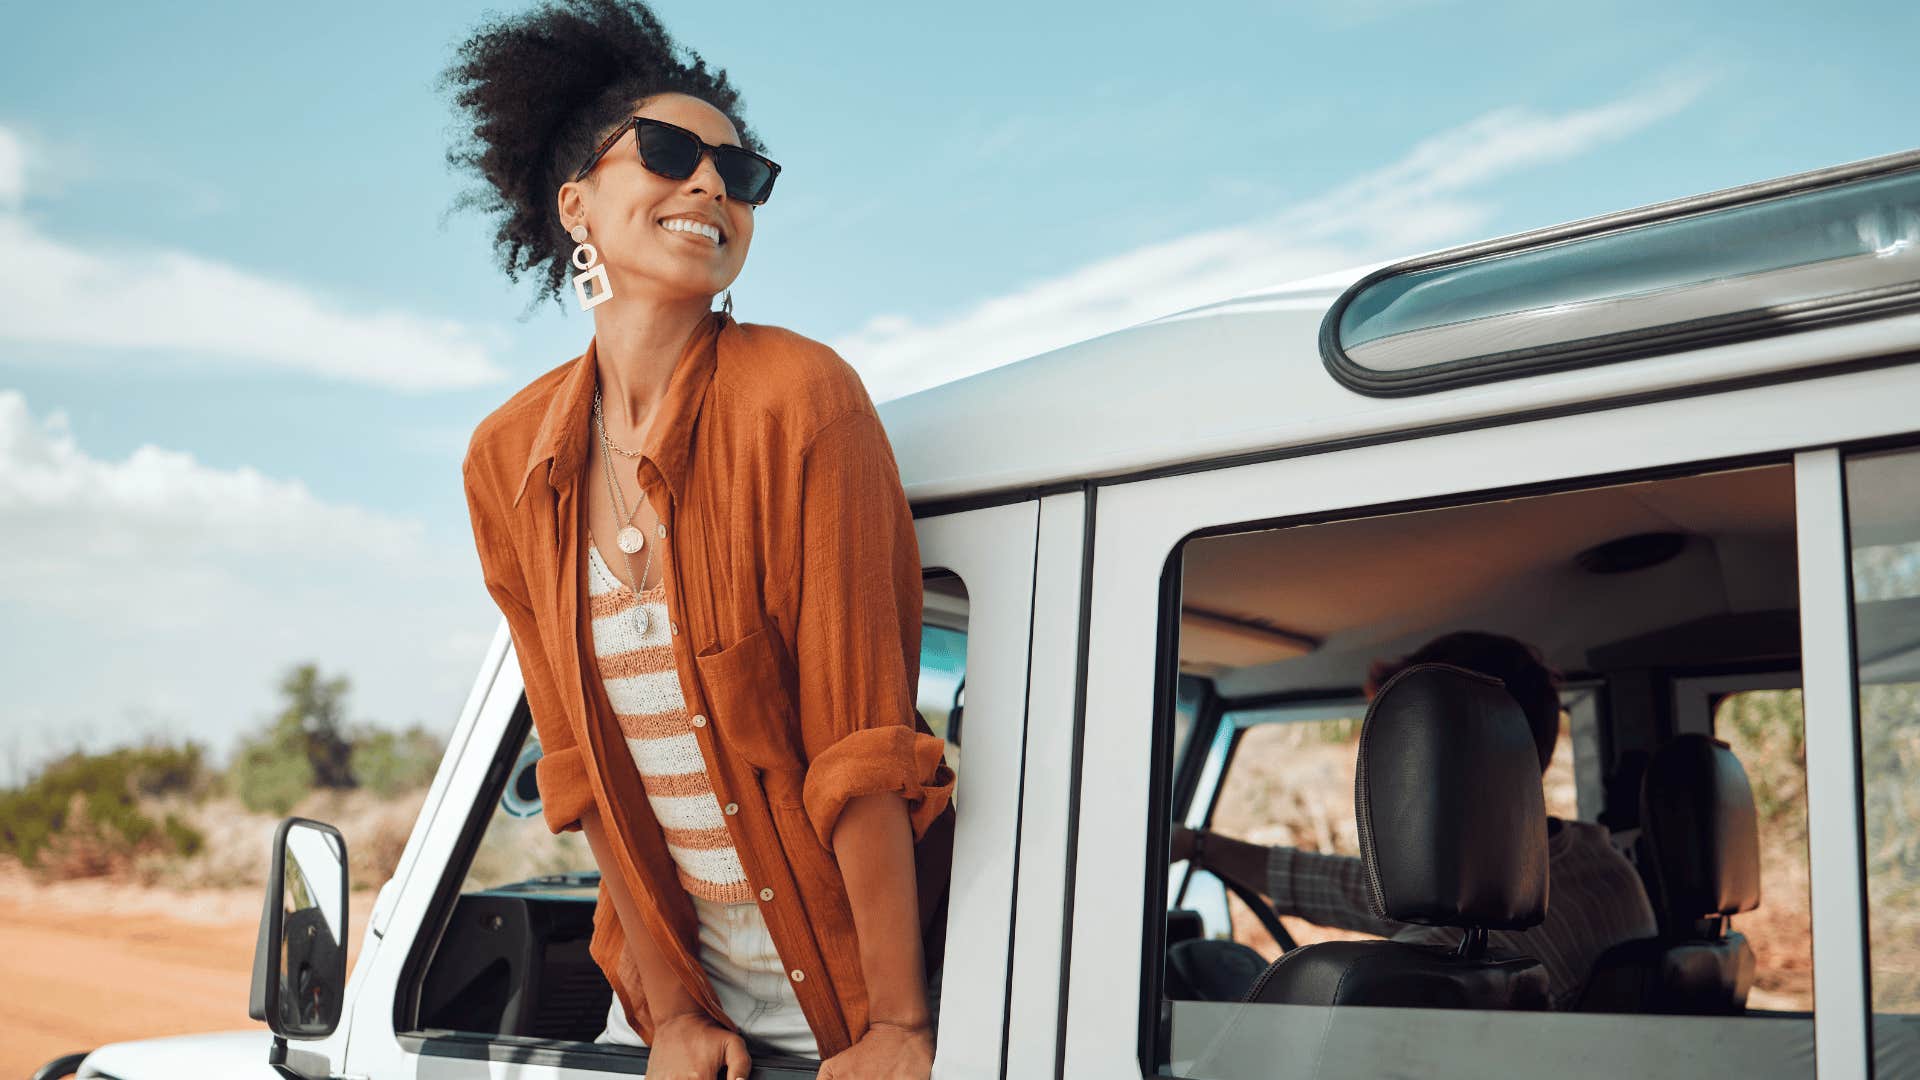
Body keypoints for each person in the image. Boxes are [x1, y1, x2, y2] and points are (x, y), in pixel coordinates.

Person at [446, 4, 954, 1078]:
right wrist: (671, 1016)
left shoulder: (802, 399)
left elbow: (862, 746)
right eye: (671, 154)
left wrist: (898, 1028)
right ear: (575, 201)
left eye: (741, 170)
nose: (712, 185)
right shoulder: (506, 461)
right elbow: (579, 772)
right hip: (673, 1011)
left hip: (853, 1006)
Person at [1173, 631, 1655, 1010]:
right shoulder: (1601, 866)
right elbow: (1350, 886)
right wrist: (1201, 846)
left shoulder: (1448, 968)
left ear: (1435, 761)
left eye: (1396, 746)